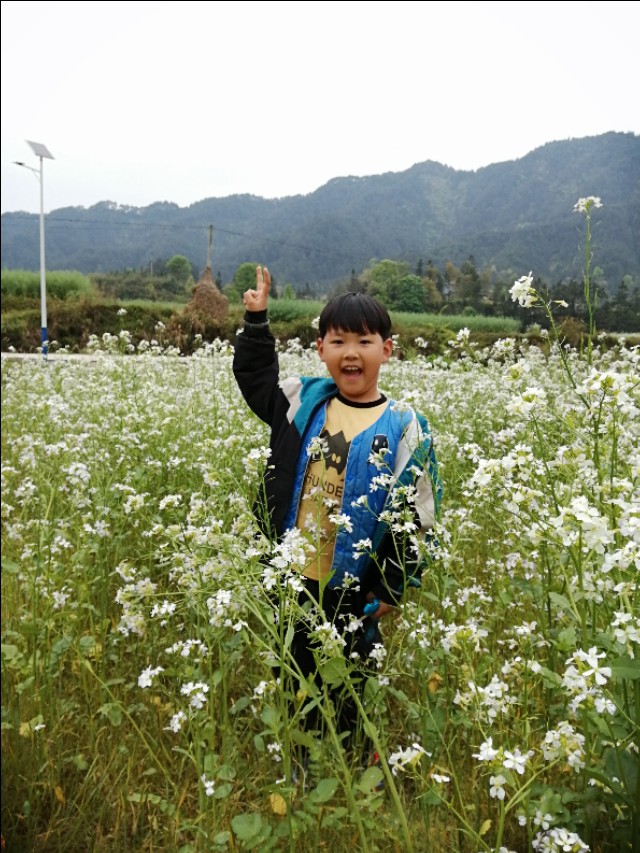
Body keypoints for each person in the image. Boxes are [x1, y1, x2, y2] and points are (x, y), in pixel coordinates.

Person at [233, 265, 440, 764]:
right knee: (294, 671)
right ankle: (301, 764)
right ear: (321, 349)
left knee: (352, 676)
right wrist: (257, 322)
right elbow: (255, 380)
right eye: (339, 341)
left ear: (386, 350)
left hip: (355, 585)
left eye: (364, 341)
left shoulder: (405, 426)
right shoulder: (301, 402)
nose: (351, 352)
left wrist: (391, 588)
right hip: (293, 574)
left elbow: (416, 514)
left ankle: (355, 763)